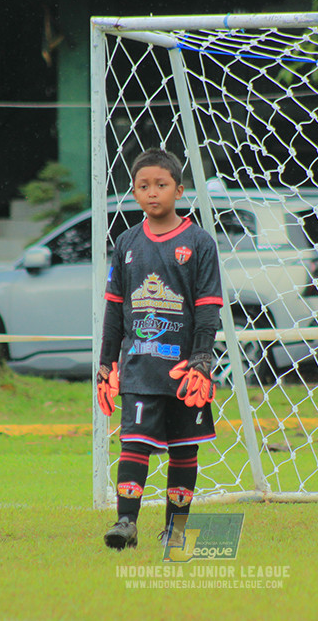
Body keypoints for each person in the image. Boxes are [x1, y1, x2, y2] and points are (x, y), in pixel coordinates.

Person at [96, 148, 223, 551]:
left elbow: (207, 309)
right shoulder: (126, 242)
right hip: (138, 368)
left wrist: (202, 360)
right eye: (143, 186)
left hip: (184, 370)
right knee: (133, 442)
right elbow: (115, 308)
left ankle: (175, 530)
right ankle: (125, 523)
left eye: (161, 185)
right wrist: (105, 362)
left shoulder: (199, 242)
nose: (153, 193)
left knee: (184, 451)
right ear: (133, 193)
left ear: (179, 190)